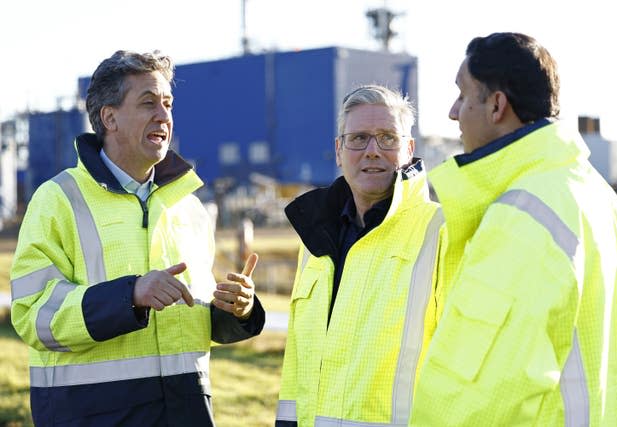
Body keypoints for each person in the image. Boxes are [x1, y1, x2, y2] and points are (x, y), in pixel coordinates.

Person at [10, 50, 265, 426]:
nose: (164, 115)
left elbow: (190, 323)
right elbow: (33, 314)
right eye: (148, 103)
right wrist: (128, 296)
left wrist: (235, 310)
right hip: (91, 415)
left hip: (185, 412)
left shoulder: (189, 208)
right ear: (108, 117)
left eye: (167, 103)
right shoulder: (58, 200)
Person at [409, 32, 617, 426]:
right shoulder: (593, 192)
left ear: (497, 105)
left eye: (463, 96)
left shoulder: (522, 216)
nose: (452, 112)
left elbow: (479, 395)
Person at [275, 85, 444, 426]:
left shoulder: (441, 232)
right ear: (339, 151)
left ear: (409, 149)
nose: (372, 151)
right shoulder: (315, 239)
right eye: (359, 138)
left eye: (387, 138)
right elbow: (297, 364)